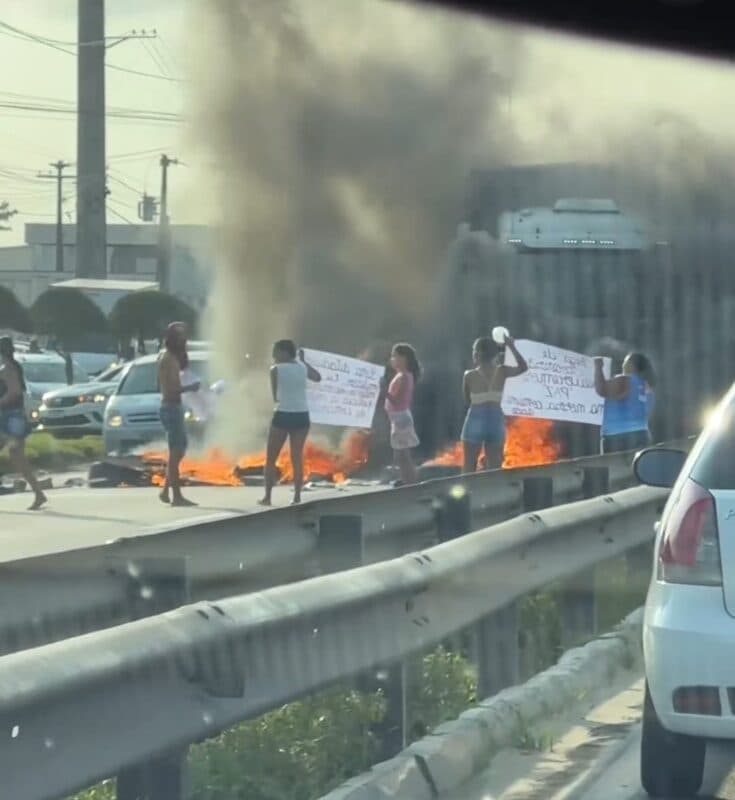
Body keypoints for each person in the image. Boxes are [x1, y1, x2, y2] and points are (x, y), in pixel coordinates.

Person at [260, 340, 321, 506]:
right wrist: (303, 362)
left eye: (276, 352)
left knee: (271, 457)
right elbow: (318, 377)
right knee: (297, 457)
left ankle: (267, 496)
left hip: (283, 414)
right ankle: (297, 497)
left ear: (285, 352)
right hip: (302, 415)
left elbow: (275, 397)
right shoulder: (302, 367)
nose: (274, 356)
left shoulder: (275, 369)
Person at [461, 334, 528, 472]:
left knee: (469, 464)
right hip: (496, 419)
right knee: (495, 466)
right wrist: (511, 346)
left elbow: (467, 400)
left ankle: (467, 492)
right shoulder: (502, 371)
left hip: (475, 418)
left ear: (476, 354)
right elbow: (523, 367)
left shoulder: (469, 376)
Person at [0, 337, 47, 510]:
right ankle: (39, 494)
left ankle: (39, 494)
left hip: (11, 419)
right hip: (13, 418)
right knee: (17, 457)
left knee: (18, 457)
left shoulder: (7, 369)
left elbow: (14, 392)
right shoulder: (13, 367)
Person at [157, 322, 200, 507]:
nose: (183, 340)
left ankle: (167, 491)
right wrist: (191, 387)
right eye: (179, 337)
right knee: (176, 452)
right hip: (171, 407)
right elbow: (172, 389)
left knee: (178, 451)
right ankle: (176, 496)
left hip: (173, 407)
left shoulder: (171, 358)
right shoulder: (168, 359)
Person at [594, 352, 655, 454]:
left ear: (631, 364)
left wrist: (598, 366)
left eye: (625, 361)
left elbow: (601, 389)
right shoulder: (646, 386)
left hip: (618, 438)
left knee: (616, 469)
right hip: (642, 434)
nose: (622, 364)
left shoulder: (625, 380)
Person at [384, 343, 421, 485]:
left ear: (404, 358)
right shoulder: (401, 375)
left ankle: (410, 482)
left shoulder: (405, 377)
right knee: (400, 454)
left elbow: (397, 401)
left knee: (403, 455)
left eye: (395, 356)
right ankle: (407, 479)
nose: (392, 360)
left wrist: (384, 392)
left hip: (401, 418)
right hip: (397, 418)